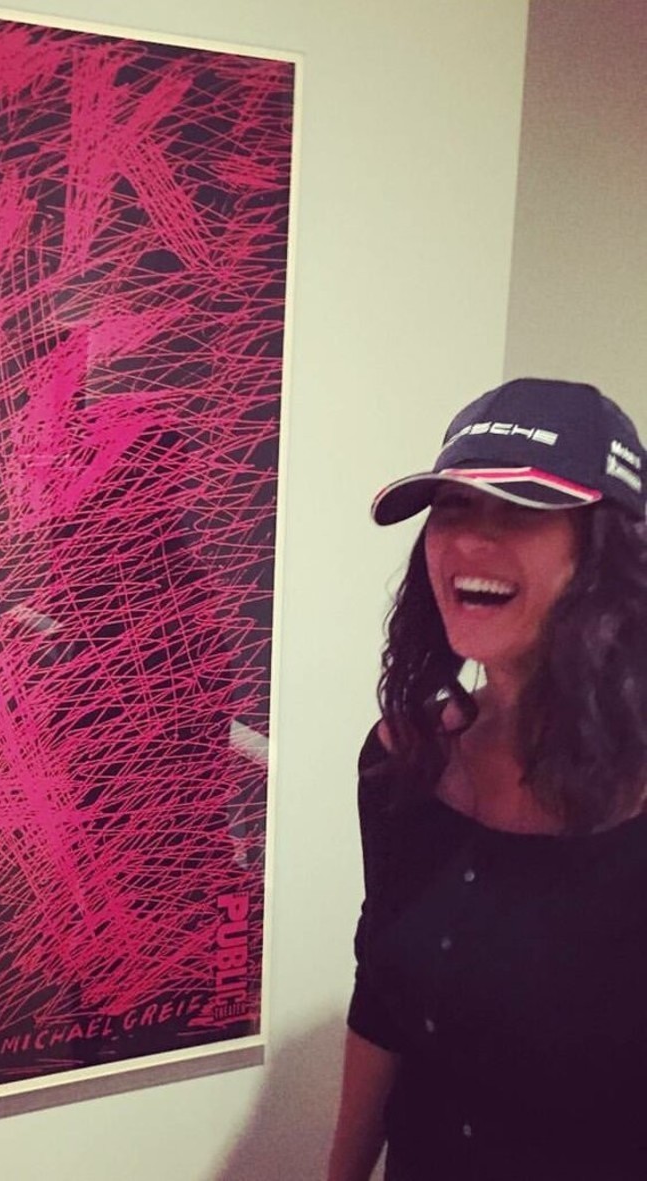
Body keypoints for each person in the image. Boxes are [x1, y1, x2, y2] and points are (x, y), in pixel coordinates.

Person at [326, 378, 647, 1181]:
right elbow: (382, 998)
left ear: (605, 550)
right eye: (455, 506)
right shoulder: (401, 761)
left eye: (521, 510)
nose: (470, 539)